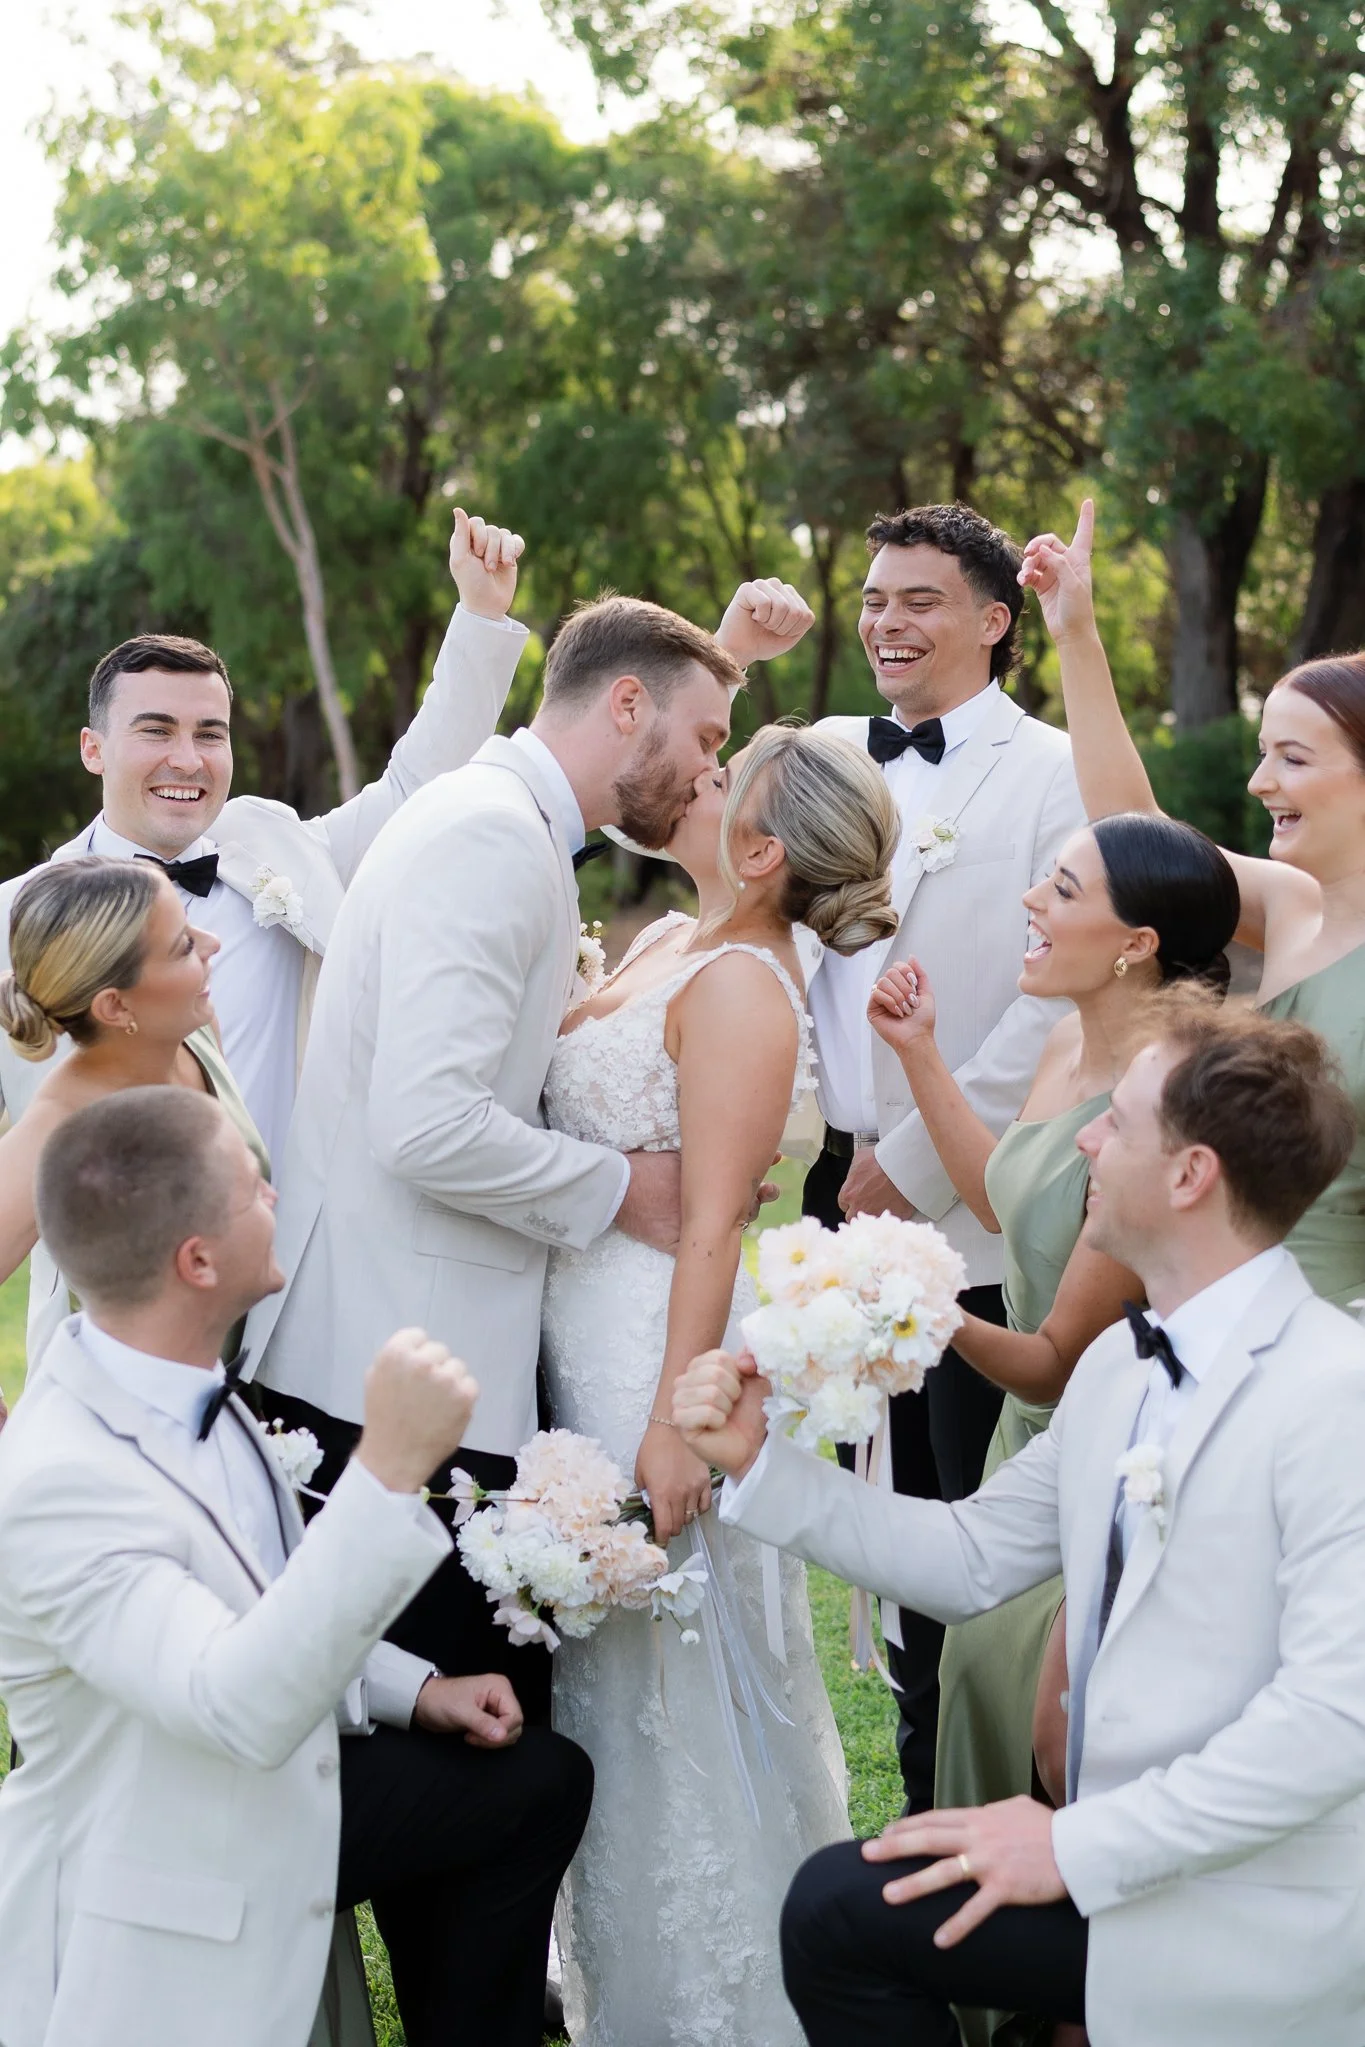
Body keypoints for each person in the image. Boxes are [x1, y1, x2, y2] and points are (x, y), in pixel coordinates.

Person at [675, 1003, 1365, 2047]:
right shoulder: (1122, 1367)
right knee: (843, 1906)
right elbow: (967, 1555)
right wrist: (760, 1463)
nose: (1085, 1138)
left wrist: (1076, 1847)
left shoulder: (1333, 1393)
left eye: (1118, 1123)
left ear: (1192, 1176)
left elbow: (1334, 1724)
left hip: (1261, 1905)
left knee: (841, 1917)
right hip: (1135, 1872)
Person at [246, 583, 807, 1723]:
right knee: (454, 1766)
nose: (710, 767)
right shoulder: (494, 839)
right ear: (629, 703)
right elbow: (428, 1122)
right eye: (706, 738)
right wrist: (622, 1187)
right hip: (394, 1355)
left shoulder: (500, 820)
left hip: (404, 1339)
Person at [0, 1087, 593, 2047]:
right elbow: (237, 1702)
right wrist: (388, 1471)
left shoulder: (191, 1384)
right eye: (251, 1189)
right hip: (164, 1886)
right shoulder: (62, 1480)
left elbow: (255, 1605)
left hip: (247, 1790)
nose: (278, 1196)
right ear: (196, 1261)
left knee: (534, 1781)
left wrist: (419, 1689)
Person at [542, 722, 899, 2045]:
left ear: (758, 845)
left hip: (657, 1341)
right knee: (610, 1677)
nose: (701, 764)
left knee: (681, 1662)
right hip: (577, 1323)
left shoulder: (749, 977)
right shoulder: (663, 939)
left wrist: (671, 1417)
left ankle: (729, 2008)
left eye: (724, 764)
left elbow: (710, 1223)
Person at [868, 813, 1238, 2046]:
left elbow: (1055, 1352)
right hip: (1024, 1438)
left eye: (1060, 885)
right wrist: (920, 1055)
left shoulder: (1173, 1086)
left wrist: (918, 1306)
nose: (1031, 897)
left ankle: (1057, 1993)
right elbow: (1005, 1194)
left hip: (1099, 1431)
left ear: (1135, 944)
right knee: (962, 1657)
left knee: (1021, 1693)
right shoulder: (1063, 1043)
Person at [802, 501, 1087, 1809]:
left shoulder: (1052, 771)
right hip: (837, 1184)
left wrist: (911, 1156)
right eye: (871, 597)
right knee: (876, 1521)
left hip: (974, 1207)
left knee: (970, 1537)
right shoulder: (826, 757)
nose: (885, 621)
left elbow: (1051, 998)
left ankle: (987, 1817)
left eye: (918, 598)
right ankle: (922, 1819)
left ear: (992, 620)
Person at [0, 508, 530, 1176]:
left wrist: (480, 617)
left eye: (210, 733)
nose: (188, 760)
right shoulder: (11, 915)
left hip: (290, 1260)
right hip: (108, 1271)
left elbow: (413, 786)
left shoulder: (281, 852)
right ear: (93, 749)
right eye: (157, 731)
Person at [1025, 499, 1365, 1306]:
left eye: (1290, 756)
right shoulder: (1288, 903)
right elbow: (1135, 844)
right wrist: (1076, 635)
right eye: (1259, 754)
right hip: (1211, 1315)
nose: (1258, 782)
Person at [0, 858, 267, 1375]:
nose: (212, 943)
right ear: (116, 1007)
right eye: (184, 945)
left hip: (223, 1390)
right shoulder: (62, 1126)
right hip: (120, 1420)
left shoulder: (196, 1031)